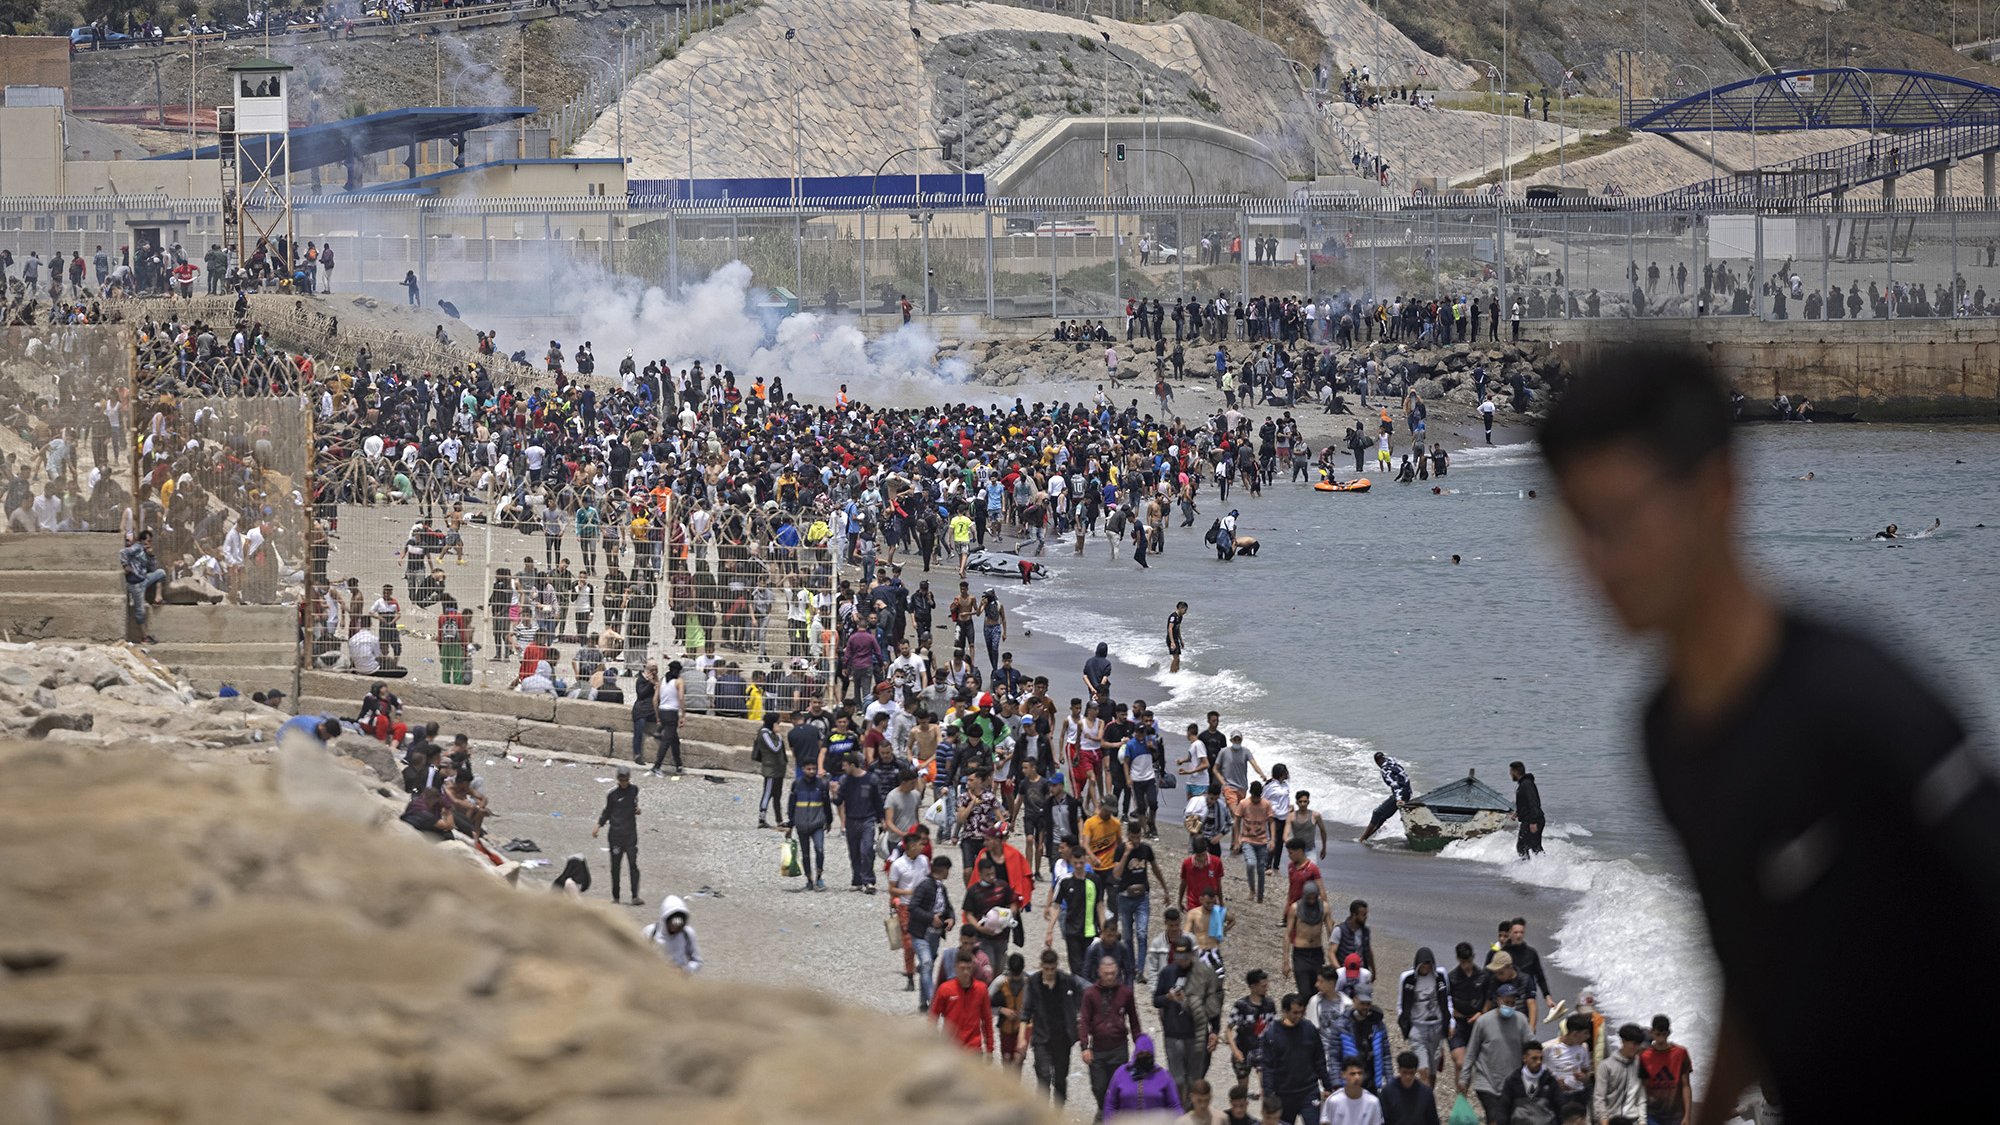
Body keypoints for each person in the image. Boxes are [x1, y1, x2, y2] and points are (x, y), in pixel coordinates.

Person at [1540, 344, 2000, 1124]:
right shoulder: (1666, 733)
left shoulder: (1861, 703)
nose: (1596, 563)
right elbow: (1754, 967)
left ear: (1716, 491)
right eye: (1574, 528)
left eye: (1615, 522)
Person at [1153, 934, 1223, 1105]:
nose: (1181, 960)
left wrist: (1214, 1030)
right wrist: (1168, 998)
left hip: (1196, 1034)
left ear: (1192, 954)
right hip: (1173, 1034)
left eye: (1185, 956)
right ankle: (1178, 1112)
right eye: (1178, 956)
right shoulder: (1167, 973)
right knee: (1177, 1080)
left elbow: (1213, 1005)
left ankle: (1191, 1113)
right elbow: (1155, 1000)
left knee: (1194, 1080)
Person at [1022, 946, 1087, 1104]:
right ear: (1041, 966)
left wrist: (1079, 1014)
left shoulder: (1066, 980)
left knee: (1060, 1079)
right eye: (1046, 968)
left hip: (1062, 1037)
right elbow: (1026, 1011)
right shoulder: (1033, 982)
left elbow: (1087, 989)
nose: (1049, 972)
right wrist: (1021, 1038)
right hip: (1041, 1037)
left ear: (1057, 966)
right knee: (1043, 1076)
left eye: (1052, 968)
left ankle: (1058, 1114)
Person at [1080, 954, 1144, 1114]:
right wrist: (1084, 1046)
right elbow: (1084, 1021)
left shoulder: (1126, 993)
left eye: (1112, 973)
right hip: (1098, 1049)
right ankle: (1104, 1110)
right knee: (1099, 1087)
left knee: (1119, 1086)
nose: (1110, 977)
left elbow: (1134, 1021)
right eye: (1106, 973)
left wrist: (1141, 1044)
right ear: (1099, 973)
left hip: (1119, 1047)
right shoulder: (1090, 994)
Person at [1458, 984, 1528, 1122]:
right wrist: (1464, 1078)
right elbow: (1471, 1051)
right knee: (1494, 1118)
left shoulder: (1521, 1021)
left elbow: (1531, 1048)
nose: (1510, 1006)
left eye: (1513, 1003)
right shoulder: (1483, 1022)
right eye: (1506, 1002)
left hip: (1512, 1082)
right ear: (1498, 1000)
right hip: (1486, 1081)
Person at [1261, 991, 1331, 1125]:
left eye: (1301, 1012)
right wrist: (1269, 1097)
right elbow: (1268, 1067)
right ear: (1285, 1012)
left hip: (1309, 1091)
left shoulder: (1309, 1029)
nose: (1299, 1016)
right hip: (1284, 1095)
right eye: (1295, 1012)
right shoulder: (1271, 1034)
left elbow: (1319, 1060)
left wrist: (1328, 1086)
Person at [1395, 948, 1452, 1086]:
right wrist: (1405, 1025)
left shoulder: (1441, 975)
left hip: (1437, 1027)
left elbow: (1447, 999)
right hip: (1417, 1028)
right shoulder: (1407, 978)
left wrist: (1451, 1023)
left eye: (1428, 965)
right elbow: (1401, 1003)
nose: (1426, 968)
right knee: (1423, 1069)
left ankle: (1427, 1099)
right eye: (1423, 965)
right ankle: (1423, 1104)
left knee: (1432, 1072)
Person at [906, 854, 955, 1011]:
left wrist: (951, 919)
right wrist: (930, 918)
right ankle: (934, 1002)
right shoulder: (925, 886)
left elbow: (948, 907)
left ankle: (923, 1002)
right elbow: (913, 907)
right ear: (944, 870)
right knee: (927, 963)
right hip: (921, 934)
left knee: (928, 967)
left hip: (935, 935)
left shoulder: (942, 888)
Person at [590, 766, 641, 906]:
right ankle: (616, 897)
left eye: (625, 780)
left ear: (629, 779)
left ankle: (635, 896)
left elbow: (634, 805)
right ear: (617, 779)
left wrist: (637, 810)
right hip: (616, 835)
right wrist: (598, 826)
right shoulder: (612, 794)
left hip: (630, 835)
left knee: (633, 865)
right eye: (621, 780)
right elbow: (607, 812)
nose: (623, 782)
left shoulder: (634, 790)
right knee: (615, 867)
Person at [1103, 1033, 1183, 1117]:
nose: (1144, 1058)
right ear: (1135, 1054)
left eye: (1148, 1055)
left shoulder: (1163, 1076)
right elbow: (1110, 1105)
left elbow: (1175, 1106)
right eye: (1141, 1055)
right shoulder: (1122, 1073)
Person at [931, 954, 995, 1056]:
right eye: (962, 968)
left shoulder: (981, 989)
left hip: (974, 1049)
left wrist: (989, 1049)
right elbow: (933, 1018)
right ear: (955, 968)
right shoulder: (945, 989)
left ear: (973, 968)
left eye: (968, 968)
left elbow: (987, 1020)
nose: (965, 972)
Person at [785, 759, 832, 892]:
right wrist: (790, 824)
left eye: (813, 769)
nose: (811, 771)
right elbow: (792, 805)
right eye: (808, 769)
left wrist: (829, 821)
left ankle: (819, 877)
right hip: (801, 824)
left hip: (817, 824)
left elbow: (827, 804)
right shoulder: (797, 784)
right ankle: (809, 880)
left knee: (819, 849)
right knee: (805, 854)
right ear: (803, 769)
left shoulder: (822, 784)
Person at [1638, 1016, 1692, 1125]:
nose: (1661, 1039)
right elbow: (1641, 1087)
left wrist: (1687, 1116)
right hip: (1652, 1114)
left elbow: (1686, 1085)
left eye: (1664, 1035)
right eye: (1658, 1034)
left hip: (1675, 1115)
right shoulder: (1644, 1056)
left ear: (1669, 1033)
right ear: (1651, 1032)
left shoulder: (1681, 1053)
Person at [1592, 1024, 1648, 1125]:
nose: (1636, 1048)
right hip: (1611, 1120)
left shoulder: (1640, 1063)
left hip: (1633, 1119)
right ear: (1623, 1041)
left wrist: (1643, 1120)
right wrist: (1604, 1120)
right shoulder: (1606, 1066)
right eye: (1634, 1044)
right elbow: (1599, 1097)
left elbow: (1641, 1095)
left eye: (1638, 1044)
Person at [1499, 1039, 1562, 1124]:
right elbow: (1504, 1109)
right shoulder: (1512, 1081)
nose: (1539, 1062)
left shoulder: (1550, 1081)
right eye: (1534, 1058)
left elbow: (1559, 1108)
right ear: (1524, 1058)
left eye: (1541, 1058)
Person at [640, 895, 701, 973]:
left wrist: (684, 970)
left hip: (679, 981)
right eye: (674, 923)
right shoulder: (650, 932)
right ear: (666, 919)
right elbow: (636, 957)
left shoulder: (687, 933)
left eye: (680, 924)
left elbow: (697, 961)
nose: (676, 927)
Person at [1359, 751, 1412, 842]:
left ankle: (1362, 839)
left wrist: (1399, 799)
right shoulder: (1393, 763)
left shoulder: (1385, 769)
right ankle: (1366, 838)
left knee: (1377, 813)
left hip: (1400, 794)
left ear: (1377, 762)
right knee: (1382, 816)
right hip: (1408, 792)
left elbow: (1394, 784)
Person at [1377, 1052, 1439, 1125]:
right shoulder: (1388, 1092)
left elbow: (1433, 1120)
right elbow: (1383, 1119)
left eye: (1411, 1073)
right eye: (1404, 1072)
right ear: (1399, 1070)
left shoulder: (1426, 1093)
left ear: (1416, 1071)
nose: (1408, 1077)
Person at [1322, 1058, 1383, 1125]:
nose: (1357, 1077)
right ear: (1343, 1074)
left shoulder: (1373, 1102)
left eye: (1360, 1073)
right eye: (1352, 1074)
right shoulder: (1333, 1101)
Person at [1508, 761, 1544, 857]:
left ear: (1516, 771)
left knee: (1524, 846)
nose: (1510, 774)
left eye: (1511, 771)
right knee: (1531, 846)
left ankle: (1538, 867)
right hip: (1530, 819)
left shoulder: (1527, 784)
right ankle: (1537, 867)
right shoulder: (1523, 784)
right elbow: (1525, 803)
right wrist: (1518, 812)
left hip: (1532, 820)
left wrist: (1533, 822)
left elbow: (1534, 802)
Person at [1166, 600, 1187, 673]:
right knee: (1175, 658)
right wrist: (1172, 642)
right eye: (1185, 610)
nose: (1185, 612)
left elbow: (1178, 629)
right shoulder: (1173, 616)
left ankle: (1176, 673)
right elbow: (1170, 628)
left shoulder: (1180, 617)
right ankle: (1171, 673)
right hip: (1171, 639)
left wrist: (1181, 640)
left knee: (1178, 659)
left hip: (1176, 639)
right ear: (1180, 608)